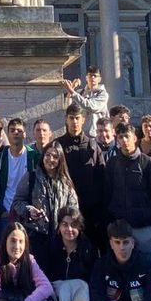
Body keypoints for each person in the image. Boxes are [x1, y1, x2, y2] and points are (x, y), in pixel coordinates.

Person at [103, 122, 151, 258]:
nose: (124, 140)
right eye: (121, 137)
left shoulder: (149, 163)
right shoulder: (112, 164)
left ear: (135, 138)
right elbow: (106, 195)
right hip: (120, 230)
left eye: (127, 136)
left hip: (145, 230)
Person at [13, 141, 77, 250]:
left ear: (60, 160)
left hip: (60, 238)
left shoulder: (66, 183)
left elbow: (74, 209)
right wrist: (29, 211)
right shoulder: (31, 177)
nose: (51, 159)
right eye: (48, 155)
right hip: (35, 236)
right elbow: (17, 201)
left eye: (55, 157)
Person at [57, 104, 106, 246]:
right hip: (65, 208)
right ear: (66, 119)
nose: (74, 122)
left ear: (83, 119)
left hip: (89, 210)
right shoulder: (58, 145)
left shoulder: (93, 145)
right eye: (71, 118)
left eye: (77, 118)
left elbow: (101, 177)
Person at [0, 117, 37, 223]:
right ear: (7, 134)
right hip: (6, 213)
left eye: (19, 130)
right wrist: (1, 211)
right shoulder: (0, 158)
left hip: (27, 213)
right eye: (12, 130)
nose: (15, 133)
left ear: (25, 134)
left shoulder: (34, 157)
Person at [59, 66, 109, 136]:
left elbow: (91, 106)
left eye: (95, 76)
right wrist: (72, 88)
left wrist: (71, 90)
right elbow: (69, 108)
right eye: (90, 75)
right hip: (81, 134)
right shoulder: (80, 93)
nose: (92, 78)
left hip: (97, 136)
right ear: (86, 78)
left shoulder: (103, 94)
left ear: (99, 79)